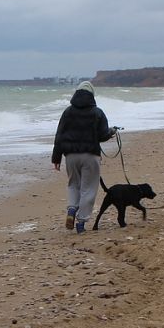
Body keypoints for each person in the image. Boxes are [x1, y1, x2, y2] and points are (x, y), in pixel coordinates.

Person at [51, 81, 116, 233]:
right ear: (92, 95)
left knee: (73, 184)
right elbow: (102, 135)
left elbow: (59, 136)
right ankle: (81, 223)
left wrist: (56, 158)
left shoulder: (67, 112)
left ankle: (72, 209)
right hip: (90, 155)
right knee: (88, 188)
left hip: (71, 156)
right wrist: (112, 132)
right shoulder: (97, 112)